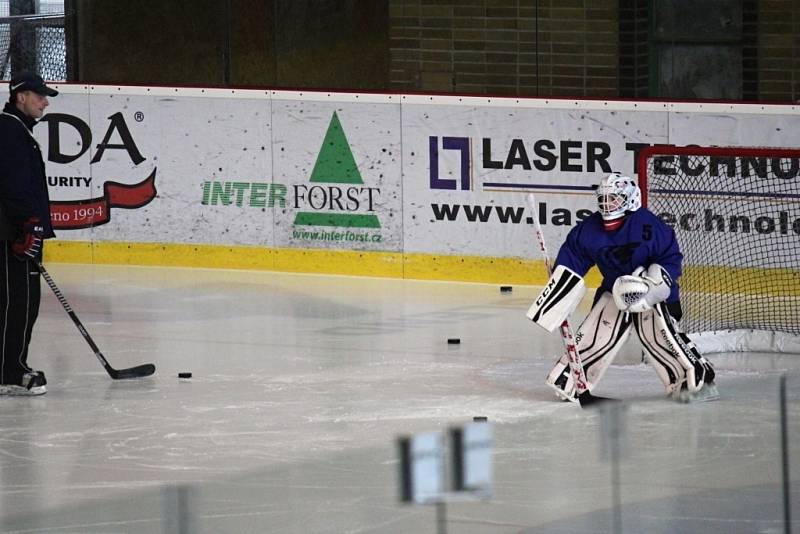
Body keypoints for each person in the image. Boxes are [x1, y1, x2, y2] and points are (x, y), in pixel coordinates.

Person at [529, 172, 716, 402]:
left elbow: (670, 259)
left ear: (630, 199)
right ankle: (572, 382)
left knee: (657, 337)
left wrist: (654, 288)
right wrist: (560, 289)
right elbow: (573, 260)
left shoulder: (649, 225)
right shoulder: (588, 230)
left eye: (614, 199)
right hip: (614, 292)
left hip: (652, 292)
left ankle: (694, 379)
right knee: (596, 336)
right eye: (603, 199)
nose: (607, 205)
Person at [0, 71, 58, 395]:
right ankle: (10, 372)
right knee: (16, 302)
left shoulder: (17, 129)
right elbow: (12, 183)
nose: (45, 102)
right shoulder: (9, 130)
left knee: (23, 301)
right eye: (39, 96)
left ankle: (10, 366)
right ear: (20, 96)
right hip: (14, 234)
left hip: (18, 231)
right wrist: (29, 226)